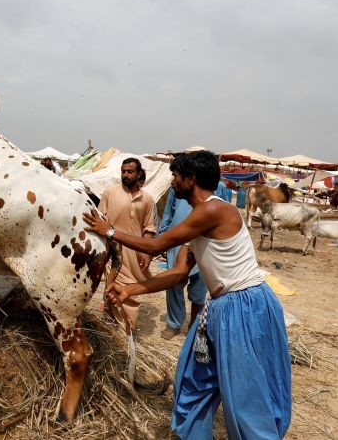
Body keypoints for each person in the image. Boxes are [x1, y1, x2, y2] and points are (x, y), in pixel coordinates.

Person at [84, 151, 291, 439]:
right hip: (220, 308)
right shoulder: (199, 221)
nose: (173, 183)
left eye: (176, 177)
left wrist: (110, 232)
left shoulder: (213, 211)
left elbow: (156, 245)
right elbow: (179, 272)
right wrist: (132, 288)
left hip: (244, 307)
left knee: (246, 398)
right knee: (194, 381)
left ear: (190, 180)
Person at [158, 180, 231, 339]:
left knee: (200, 288)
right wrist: (163, 235)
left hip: (204, 244)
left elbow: (224, 212)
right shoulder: (177, 187)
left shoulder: (219, 188)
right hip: (177, 241)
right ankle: (174, 324)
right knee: (173, 284)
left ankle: (194, 324)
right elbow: (168, 213)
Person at [97, 157, 156, 331]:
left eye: (130, 171)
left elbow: (149, 228)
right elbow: (101, 220)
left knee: (131, 290)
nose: (125, 174)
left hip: (134, 254)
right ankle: (110, 330)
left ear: (139, 174)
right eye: (123, 171)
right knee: (111, 288)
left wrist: (146, 252)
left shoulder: (147, 199)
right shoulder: (110, 193)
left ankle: (126, 331)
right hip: (113, 252)